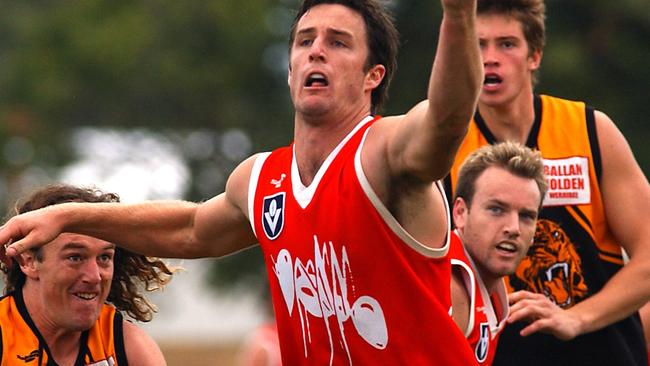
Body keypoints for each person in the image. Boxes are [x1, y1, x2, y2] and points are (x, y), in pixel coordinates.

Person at [0, 0, 483, 364]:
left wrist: (459, 15)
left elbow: (444, 122)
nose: (316, 50)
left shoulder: (385, 151)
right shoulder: (261, 178)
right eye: (304, 40)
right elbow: (189, 228)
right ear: (290, 67)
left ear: (372, 75)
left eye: (338, 42)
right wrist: (68, 216)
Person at [443, 0, 650, 364]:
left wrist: (576, 318)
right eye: (478, 45)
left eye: (506, 44)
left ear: (534, 55)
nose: (490, 58)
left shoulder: (589, 130)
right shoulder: (445, 148)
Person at [0, 184, 174, 366]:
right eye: (75, 257)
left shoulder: (127, 346)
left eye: (104, 257)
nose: (94, 276)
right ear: (28, 261)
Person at [449, 141, 547, 365]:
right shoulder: (448, 286)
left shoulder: (490, 290)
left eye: (526, 216)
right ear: (461, 213)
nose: (513, 228)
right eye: (496, 209)